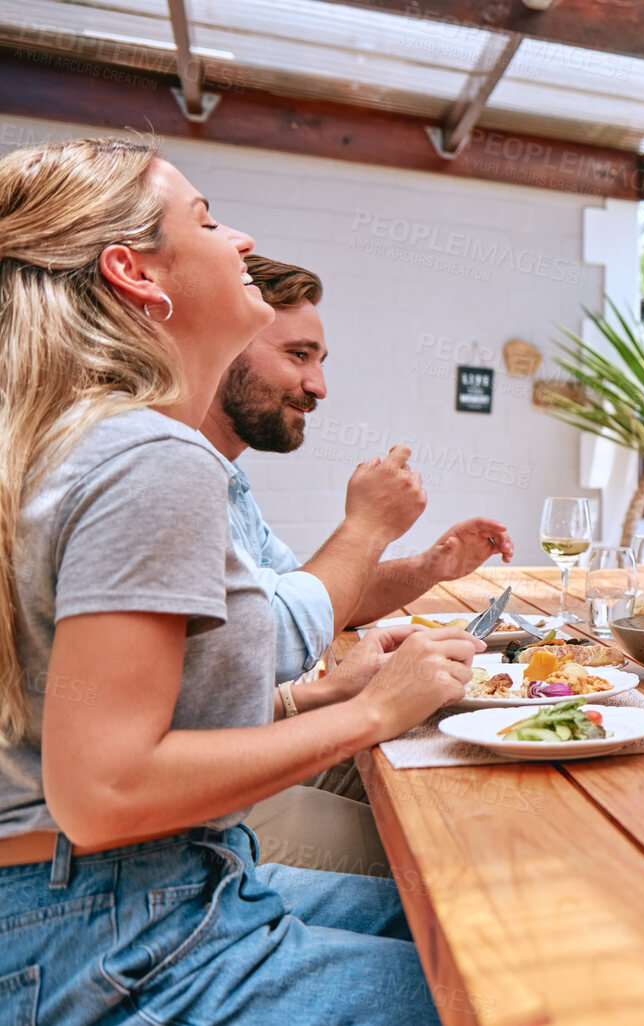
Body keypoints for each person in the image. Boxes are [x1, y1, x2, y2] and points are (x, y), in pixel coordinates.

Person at [0, 137, 473, 1024]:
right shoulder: (150, 456)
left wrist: (315, 698)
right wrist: (376, 713)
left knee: (487, 924)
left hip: (113, 895)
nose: (242, 238)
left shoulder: (64, 438)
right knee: (527, 990)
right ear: (136, 275)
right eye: (209, 221)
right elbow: (104, 793)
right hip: (116, 929)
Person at [203, 254, 515, 687]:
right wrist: (368, 525)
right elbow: (274, 645)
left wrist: (426, 567)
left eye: (320, 361)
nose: (319, 387)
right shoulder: (179, 475)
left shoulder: (228, 482)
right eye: (298, 354)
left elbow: (314, 599)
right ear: (223, 342)